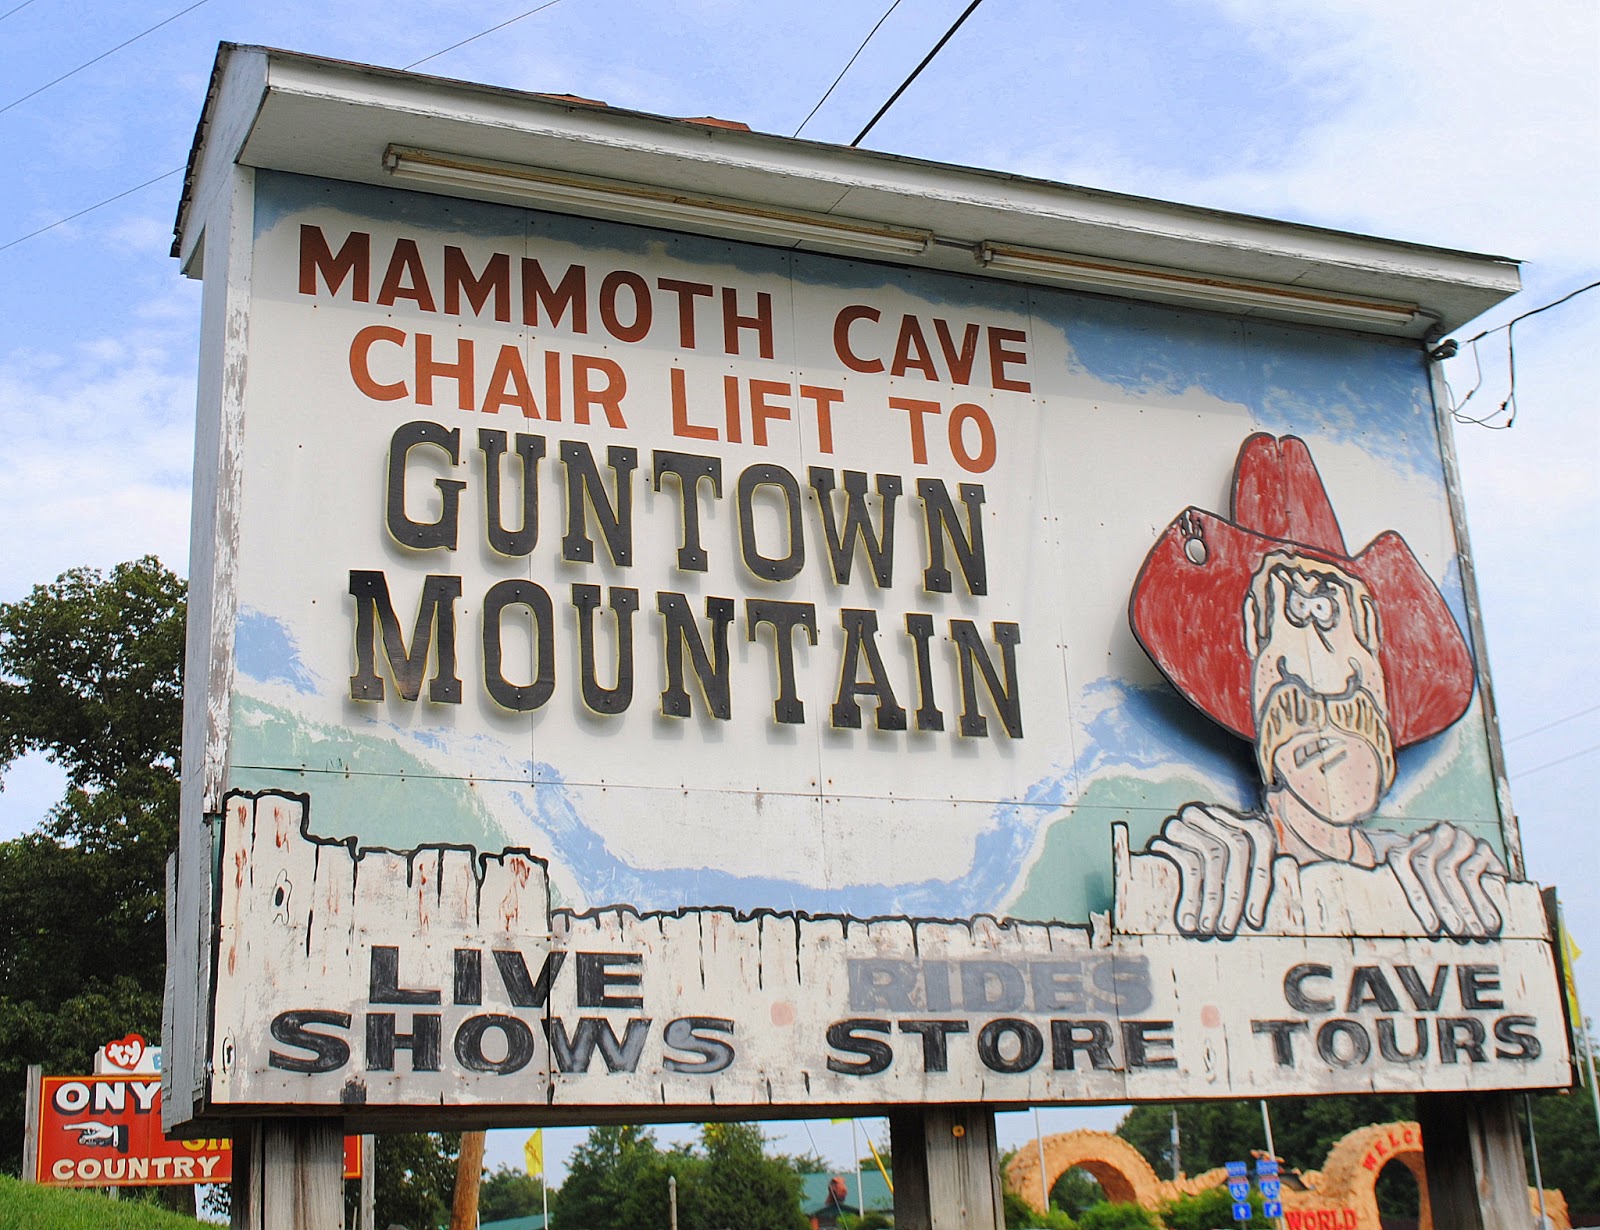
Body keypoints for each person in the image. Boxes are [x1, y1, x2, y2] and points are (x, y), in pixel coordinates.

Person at [1128, 433, 1505, 939]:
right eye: (1279, 632)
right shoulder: (1222, 855)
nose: (1319, 677)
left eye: (1334, 619)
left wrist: (1475, 877)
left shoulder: (1424, 865)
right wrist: (1165, 878)